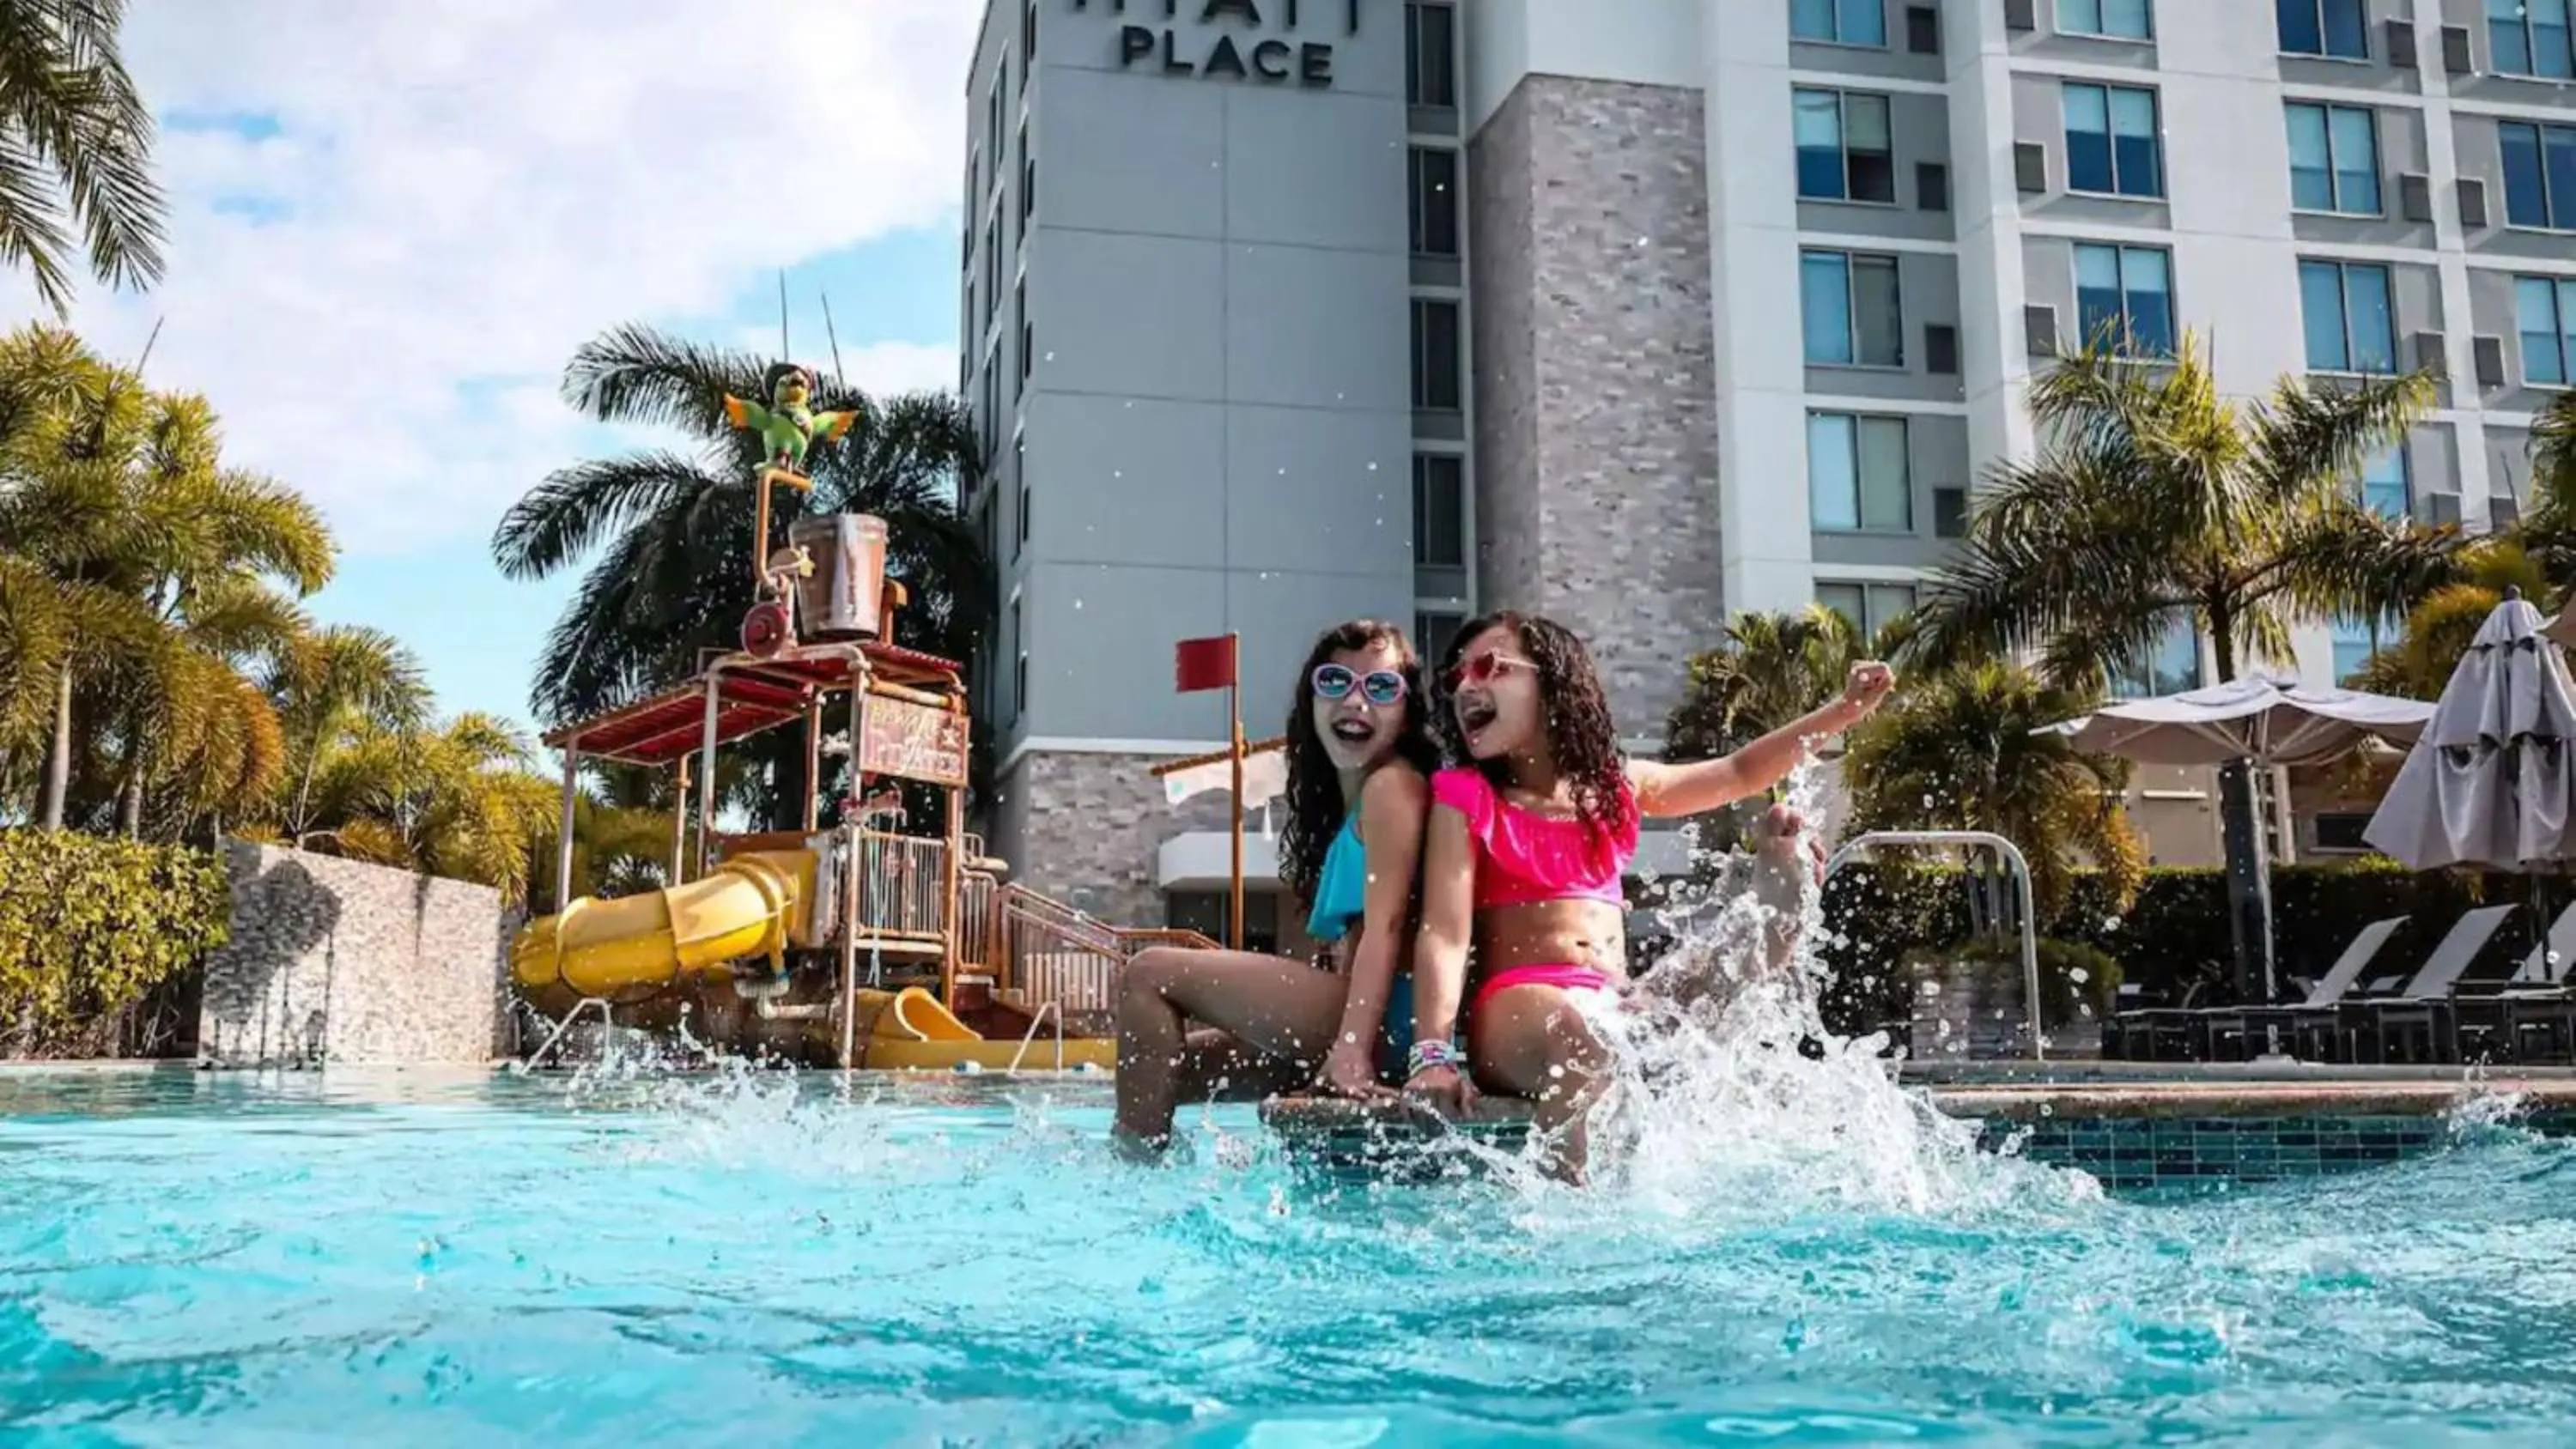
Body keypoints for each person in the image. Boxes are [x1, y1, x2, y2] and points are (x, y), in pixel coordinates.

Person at [1403, 611, 1894, 1181]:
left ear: (1555, 684)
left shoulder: (1614, 788)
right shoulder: (1464, 795)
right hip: (1517, 1007)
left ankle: (1772, 903)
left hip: (1616, 1001)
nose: (1468, 686)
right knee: (1582, 1046)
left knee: (1725, 969)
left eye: (1490, 667)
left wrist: (1845, 711)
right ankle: (1574, 1226)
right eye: (1456, 678)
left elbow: (1737, 772)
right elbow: (1444, 931)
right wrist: (1434, 1055)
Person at [1113, 619, 1443, 1156]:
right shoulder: (1353, 801)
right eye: (1336, 682)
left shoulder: (1392, 788)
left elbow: (1387, 927)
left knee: (1149, 973)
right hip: (1368, 1017)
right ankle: (1143, 1155)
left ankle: (1131, 1173)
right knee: (1168, 1066)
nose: (1357, 701)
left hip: (1391, 1022)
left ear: (1407, 714)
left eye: (1381, 688)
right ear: (1310, 697)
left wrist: (1351, 1050)